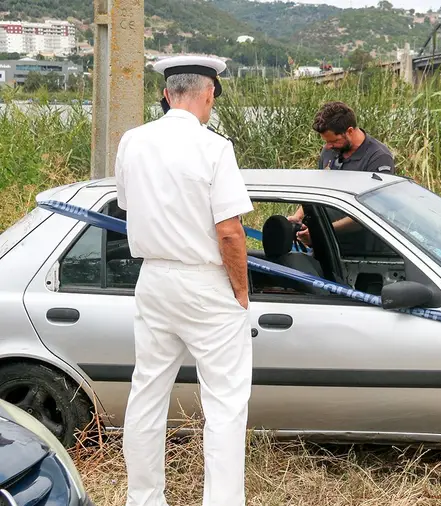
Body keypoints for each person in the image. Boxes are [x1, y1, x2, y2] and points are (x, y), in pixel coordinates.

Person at [115, 55, 254, 506]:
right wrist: (240, 290)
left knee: (148, 392)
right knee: (226, 403)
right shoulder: (215, 148)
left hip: (153, 279)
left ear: (165, 93)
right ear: (209, 93)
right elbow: (230, 231)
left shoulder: (132, 142)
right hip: (205, 282)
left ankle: (144, 499)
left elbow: (127, 204)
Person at [288, 101, 395, 246]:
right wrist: (298, 217)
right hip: (326, 244)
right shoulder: (329, 151)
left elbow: (374, 213)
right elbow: (318, 189)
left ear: (350, 131)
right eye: (326, 142)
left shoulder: (378, 158)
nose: (328, 146)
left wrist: (324, 231)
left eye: (334, 141)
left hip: (360, 248)